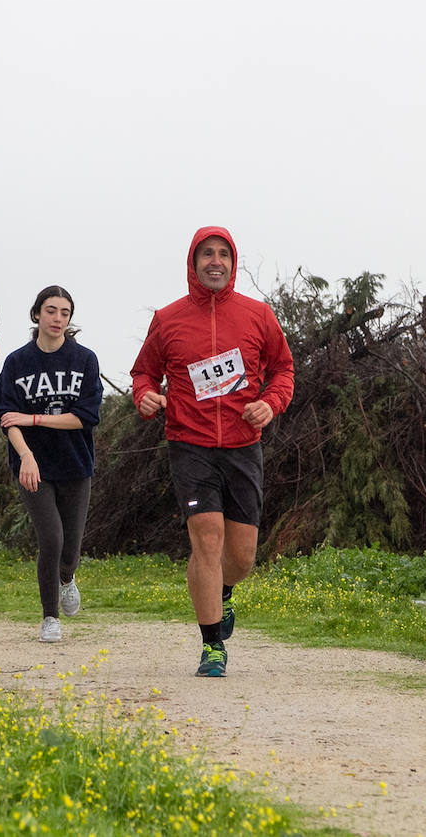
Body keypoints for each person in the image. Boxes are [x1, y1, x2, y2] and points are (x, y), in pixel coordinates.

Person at [130, 227, 295, 677]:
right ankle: (212, 645)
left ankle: (222, 594)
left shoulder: (259, 315)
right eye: (207, 254)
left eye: (223, 254)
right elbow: (143, 374)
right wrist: (144, 397)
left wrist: (270, 403)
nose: (215, 261)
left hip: (243, 446)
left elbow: (283, 370)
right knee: (206, 541)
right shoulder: (169, 319)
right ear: (194, 262)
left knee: (241, 557)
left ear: (233, 262)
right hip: (190, 444)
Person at [0, 286, 102, 643]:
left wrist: (34, 419)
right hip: (32, 466)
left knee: (70, 549)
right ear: (36, 314)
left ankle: (67, 579)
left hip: (74, 464)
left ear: (70, 319)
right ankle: (49, 618)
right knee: (50, 539)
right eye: (50, 310)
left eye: (64, 312)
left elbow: (83, 418)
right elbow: (6, 417)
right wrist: (25, 455)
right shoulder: (17, 362)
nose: (57, 318)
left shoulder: (84, 360)